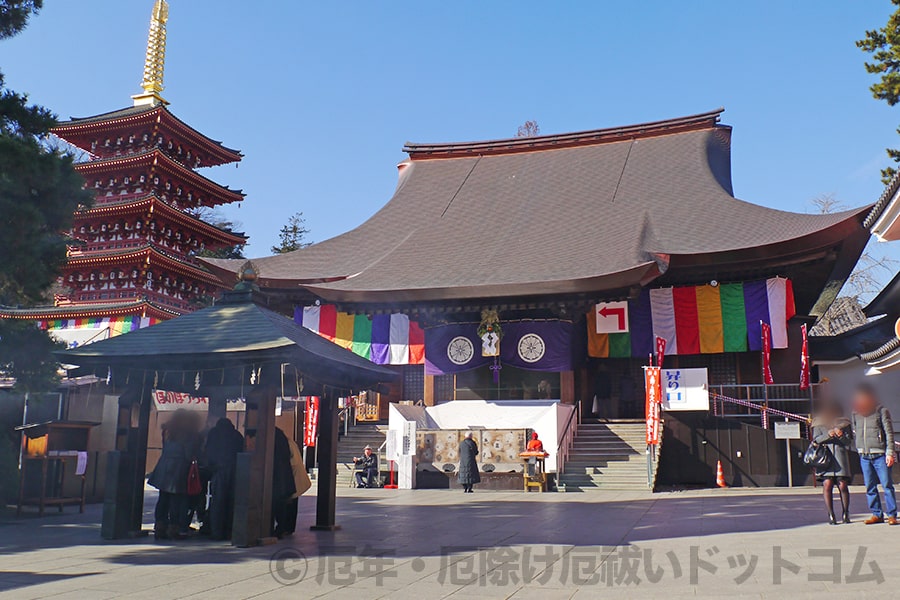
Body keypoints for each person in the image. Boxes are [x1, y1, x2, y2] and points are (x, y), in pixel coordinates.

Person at [148, 409, 199, 540]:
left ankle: (160, 526)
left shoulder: (167, 431)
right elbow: (188, 454)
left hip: (164, 466)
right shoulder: (188, 433)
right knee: (176, 500)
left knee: (163, 498)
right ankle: (174, 527)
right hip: (179, 468)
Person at [851, 384, 897, 525]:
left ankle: (892, 514)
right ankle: (876, 514)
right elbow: (854, 430)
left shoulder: (881, 411)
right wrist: (858, 446)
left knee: (887, 485)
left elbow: (889, 433)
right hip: (864, 454)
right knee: (870, 486)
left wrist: (890, 452)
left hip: (880, 454)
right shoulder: (855, 413)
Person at [811, 403, 852, 524]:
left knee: (842, 485)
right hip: (825, 458)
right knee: (827, 484)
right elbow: (816, 439)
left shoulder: (844, 423)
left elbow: (848, 442)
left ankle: (846, 512)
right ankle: (831, 514)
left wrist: (841, 435)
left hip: (840, 457)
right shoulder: (818, 422)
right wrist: (827, 435)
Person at [203, 418, 244, 541]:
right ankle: (229, 531)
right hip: (234, 471)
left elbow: (208, 451)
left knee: (217, 503)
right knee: (231, 502)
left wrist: (210, 467)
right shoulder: (236, 435)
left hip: (218, 471)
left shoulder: (214, 434)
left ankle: (216, 532)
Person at [271, 427, 297, 538]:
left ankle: (282, 528)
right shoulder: (285, 439)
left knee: (279, 503)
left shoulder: (272, 436)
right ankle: (284, 528)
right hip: (287, 475)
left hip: (280, 475)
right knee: (284, 503)